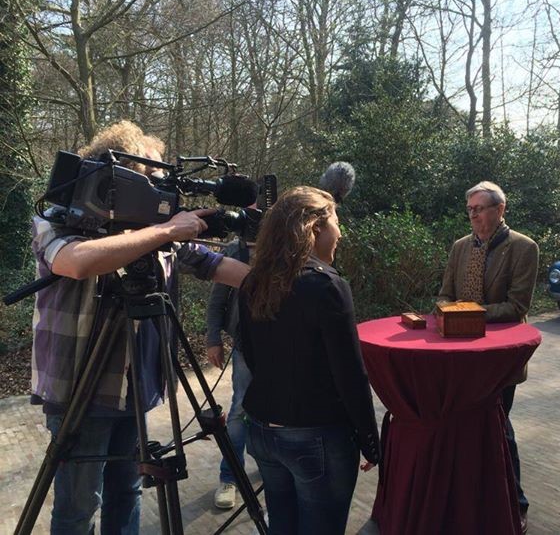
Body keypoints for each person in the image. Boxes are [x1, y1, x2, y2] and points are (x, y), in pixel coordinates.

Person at [30, 120, 249, 535]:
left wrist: (285, 283)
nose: (158, 190)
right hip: (80, 387)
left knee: (127, 493)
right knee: (78, 508)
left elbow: (213, 263)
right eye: (150, 177)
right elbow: (75, 261)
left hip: (136, 387)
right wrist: (165, 230)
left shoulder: (154, 229)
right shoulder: (60, 215)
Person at [238, 186, 380, 535]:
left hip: (262, 432)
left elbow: (251, 356)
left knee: (282, 527)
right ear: (315, 227)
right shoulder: (328, 286)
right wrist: (370, 440)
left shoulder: (253, 281)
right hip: (315, 437)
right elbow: (350, 374)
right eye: (336, 222)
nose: (340, 233)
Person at [438, 180, 538, 535]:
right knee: (466, 428)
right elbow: (445, 294)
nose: (473, 216)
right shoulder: (460, 247)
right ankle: (474, 500)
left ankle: (515, 504)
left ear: (500, 210)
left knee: (497, 427)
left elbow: (516, 307)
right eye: (470, 210)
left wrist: (467, 313)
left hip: (499, 358)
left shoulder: (523, 248)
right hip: (459, 355)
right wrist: (446, 309)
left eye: (479, 209)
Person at [205, 237, 253, 509]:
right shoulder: (238, 249)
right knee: (240, 410)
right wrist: (213, 339)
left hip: (284, 347)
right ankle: (229, 477)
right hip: (245, 346)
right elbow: (218, 300)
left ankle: (277, 470)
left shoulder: (292, 242)